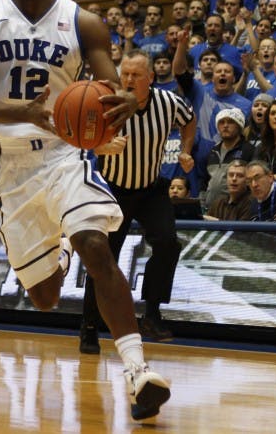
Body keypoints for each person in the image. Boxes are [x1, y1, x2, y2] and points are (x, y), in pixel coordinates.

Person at [0, 0, 169, 420]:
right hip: (10, 166)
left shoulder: (84, 21)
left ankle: (138, 373)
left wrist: (121, 104)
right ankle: (60, 248)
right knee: (46, 297)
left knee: (96, 243)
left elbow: (110, 88)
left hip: (62, 153)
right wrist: (23, 113)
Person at [81, 49, 195, 350]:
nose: (129, 80)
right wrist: (102, 147)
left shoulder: (168, 102)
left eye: (135, 75)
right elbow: (84, 142)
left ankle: (152, 313)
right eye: (125, 74)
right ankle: (90, 326)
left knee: (168, 243)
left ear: (151, 78)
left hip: (150, 189)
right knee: (102, 259)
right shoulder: (107, 104)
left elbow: (190, 119)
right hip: (113, 190)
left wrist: (186, 149)